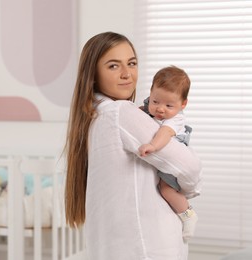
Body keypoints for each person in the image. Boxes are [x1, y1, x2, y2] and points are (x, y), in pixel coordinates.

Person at [64, 32, 202, 260]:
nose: (127, 74)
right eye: (113, 66)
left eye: (132, 63)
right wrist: (185, 190)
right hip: (149, 245)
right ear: (94, 74)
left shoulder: (92, 116)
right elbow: (190, 168)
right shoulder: (121, 112)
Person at [139, 66, 198, 242]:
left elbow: (164, 133)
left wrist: (152, 145)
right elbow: (140, 112)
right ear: (151, 93)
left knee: (166, 189)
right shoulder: (149, 106)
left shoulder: (176, 118)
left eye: (169, 105)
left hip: (173, 150)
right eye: (156, 101)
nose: (160, 109)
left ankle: (188, 214)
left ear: (183, 104)